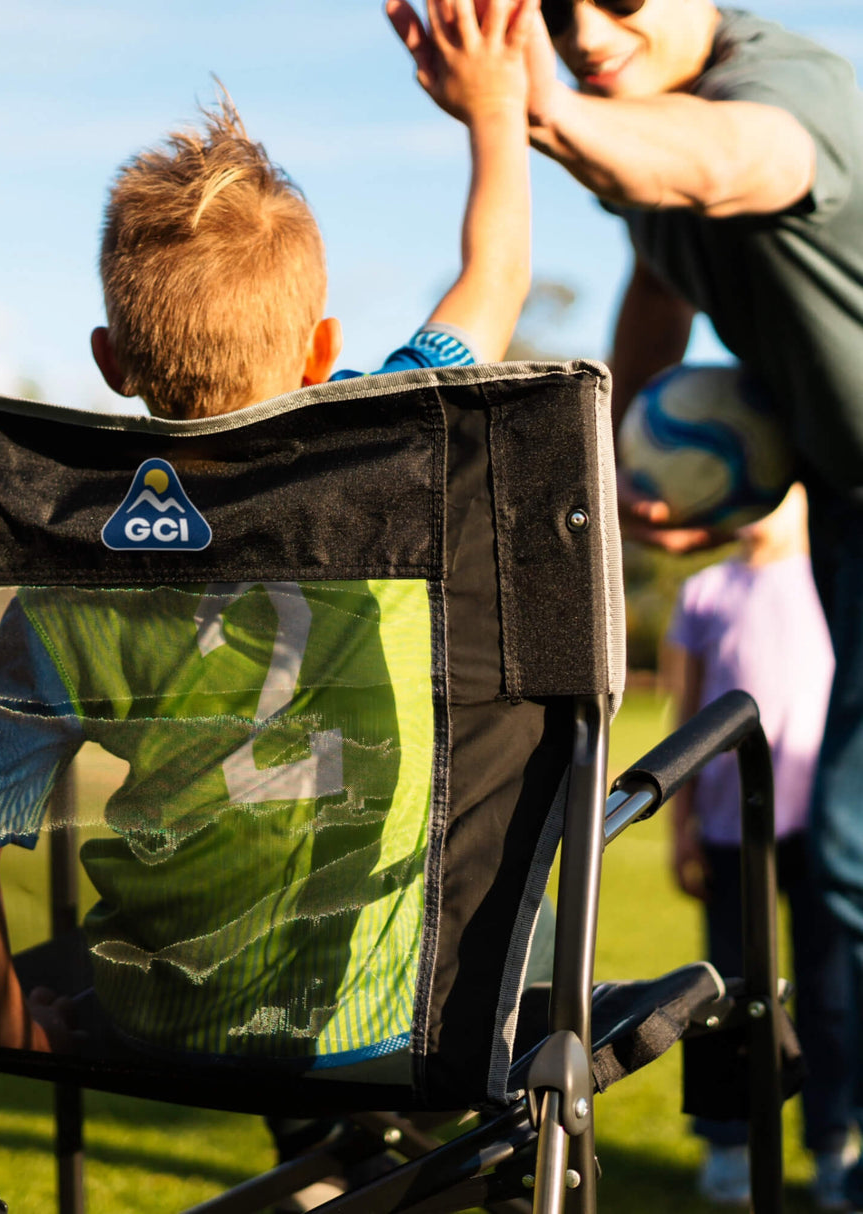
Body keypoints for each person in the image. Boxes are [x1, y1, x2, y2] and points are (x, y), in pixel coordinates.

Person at [0, 0, 540, 1070]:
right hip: (389, 1022)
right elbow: (495, 280)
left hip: (167, 1033)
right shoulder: (395, 445)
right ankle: (354, 1149)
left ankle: (318, 1151)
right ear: (323, 350)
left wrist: (6, 1026)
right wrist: (494, 109)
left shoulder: (70, 585)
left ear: (112, 361)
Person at [391, 0, 863, 1199]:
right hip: (844, 509)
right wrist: (607, 477)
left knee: (846, 845)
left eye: (617, 1)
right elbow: (658, 272)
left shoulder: (784, 94)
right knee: (840, 857)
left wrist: (528, 107)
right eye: (556, 14)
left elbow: (724, 164)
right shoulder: (636, 138)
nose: (588, 32)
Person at [664, 484, 853, 1209]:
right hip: (729, 829)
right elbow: (685, 716)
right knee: (728, 993)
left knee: (831, 996)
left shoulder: (832, 578)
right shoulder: (705, 592)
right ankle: (728, 1146)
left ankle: (833, 1146)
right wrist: (680, 830)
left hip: (823, 832)